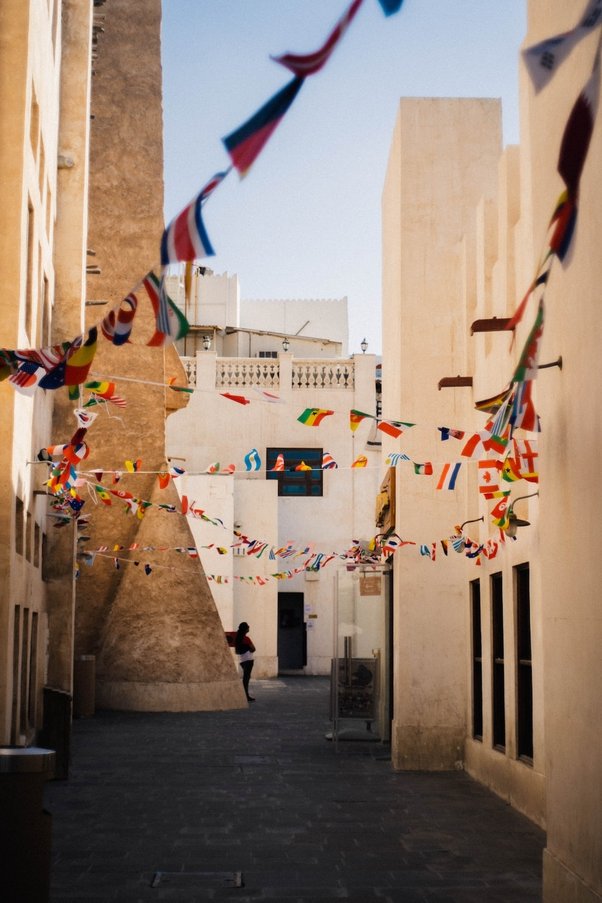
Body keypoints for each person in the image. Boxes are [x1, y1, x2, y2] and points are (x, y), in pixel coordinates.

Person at [235, 621, 256, 702]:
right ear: (245, 629)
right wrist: (249, 648)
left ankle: (245, 695)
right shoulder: (246, 638)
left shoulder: (237, 638)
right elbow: (253, 649)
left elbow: (237, 651)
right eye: (248, 626)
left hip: (242, 660)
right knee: (246, 678)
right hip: (248, 659)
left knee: (245, 677)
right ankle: (245, 696)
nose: (249, 627)